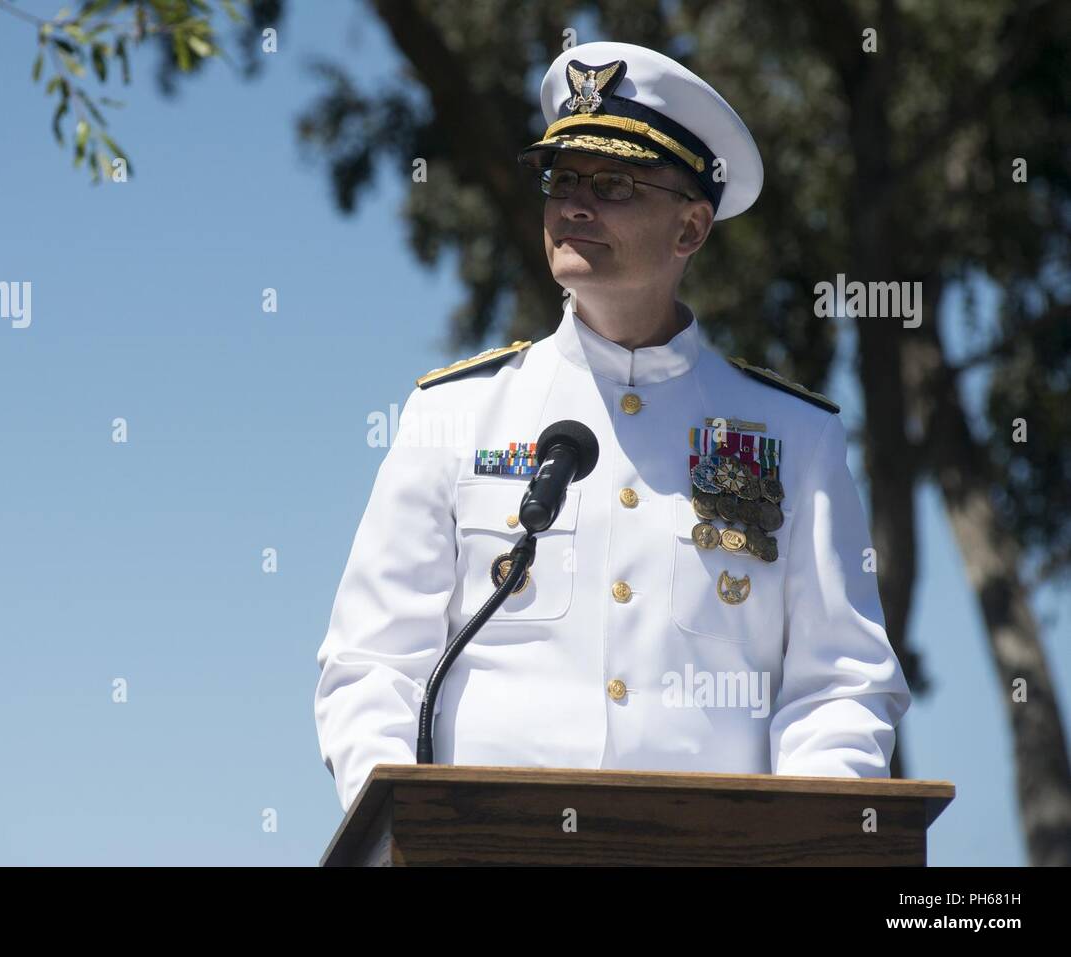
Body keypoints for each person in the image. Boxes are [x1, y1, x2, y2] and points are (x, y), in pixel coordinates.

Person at [313, 41, 911, 814]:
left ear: (691, 228)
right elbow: (371, 665)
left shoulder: (795, 441)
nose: (572, 205)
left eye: (614, 183)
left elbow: (841, 685)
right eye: (559, 179)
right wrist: (404, 831)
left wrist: (805, 842)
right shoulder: (452, 416)